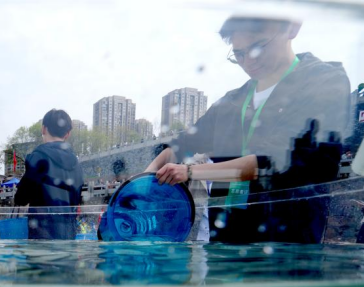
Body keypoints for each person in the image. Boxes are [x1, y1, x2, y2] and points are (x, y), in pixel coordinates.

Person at [145, 16, 350, 244]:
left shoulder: (323, 82)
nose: (249, 62)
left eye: (258, 47)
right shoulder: (232, 102)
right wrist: (145, 177)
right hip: (225, 238)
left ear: (292, 28)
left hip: (286, 240)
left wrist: (191, 172)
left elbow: (278, 161)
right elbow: (181, 146)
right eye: (239, 54)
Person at [13, 109, 84, 239]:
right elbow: (76, 202)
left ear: (43, 129)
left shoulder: (38, 157)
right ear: (67, 134)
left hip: (42, 236)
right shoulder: (77, 164)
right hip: (68, 236)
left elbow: (21, 199)